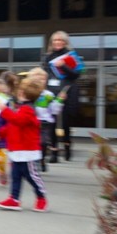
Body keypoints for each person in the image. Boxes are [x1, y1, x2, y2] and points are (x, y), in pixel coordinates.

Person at [0, 75, 53, 212]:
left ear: (22, 93)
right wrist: (0, 133)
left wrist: (4, 110)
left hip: (27, 151)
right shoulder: (22, 108)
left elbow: (17, 121)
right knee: (16, 176)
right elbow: (13, 125)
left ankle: (41, 197)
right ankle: (14, 199)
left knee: (31, 176)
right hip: (18, 150)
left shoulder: (28, 110)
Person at [41, 30, 83, 162]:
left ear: (65, 42)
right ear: (51, 42)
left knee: (66, 123)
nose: (57, 43)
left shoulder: (70, 56)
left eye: (60, 40)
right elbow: (44, 74)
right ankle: (53, 152)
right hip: (51, 93)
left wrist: (63, 66)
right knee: (51, 122)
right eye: (55, 40)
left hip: (67, 91)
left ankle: (67, 147)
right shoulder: (47, 57)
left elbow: (76, 75)